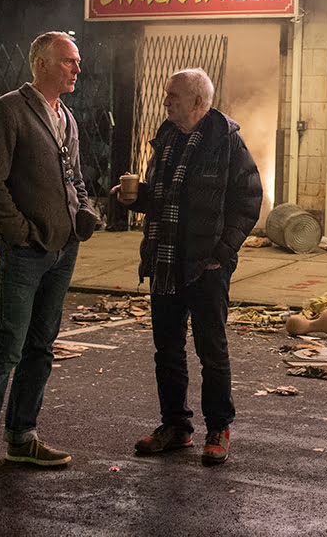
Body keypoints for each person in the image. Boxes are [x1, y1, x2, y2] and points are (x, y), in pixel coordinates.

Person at [0, 31, 100, 492]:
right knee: (7, 348)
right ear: (41, 64)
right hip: (27, 252)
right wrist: (21, 233)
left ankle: (22, 437)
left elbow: (75, 175)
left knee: (41, 346)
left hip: (63, 248)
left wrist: (82, 213)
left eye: (77, 61)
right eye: (68, 61)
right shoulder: (8, 110)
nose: (76, 69)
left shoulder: (65, 116)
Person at [114, 68, 261, 466]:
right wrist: (136, 198)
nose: (166, 102)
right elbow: (166, 200)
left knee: (211, 351)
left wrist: (223, 253)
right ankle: (176, 426)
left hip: (205, 266)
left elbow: (249, 201)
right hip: (165, 261)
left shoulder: (226, 143)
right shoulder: (166, 139)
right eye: (167, 95)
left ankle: (218, 428)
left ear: (198, 101)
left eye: (173, 96)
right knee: (167, 350)